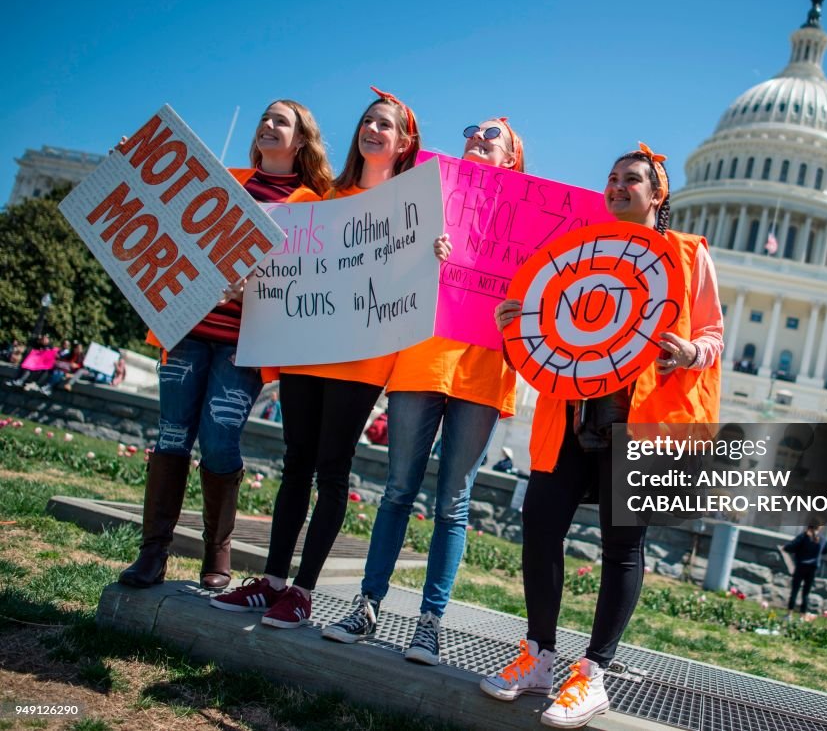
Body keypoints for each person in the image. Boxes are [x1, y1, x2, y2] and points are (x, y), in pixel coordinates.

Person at [479, 143, 723, 728]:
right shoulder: (579, 251)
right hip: (570, 415)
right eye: (612, 178)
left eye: (632, 180)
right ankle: (538, 655)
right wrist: (515, 322)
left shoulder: (689, 255)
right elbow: (546, 322)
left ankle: (592, 674)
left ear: (657, 194)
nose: (617, 187)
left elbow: (713, 333)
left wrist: (690, 351)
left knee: (621, 548)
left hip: (640, 424)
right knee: (540, 528)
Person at [211, 87, 420, 627]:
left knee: (332, 469)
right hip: (306, 350)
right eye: (367, 121)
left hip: (360, 360)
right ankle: (273, 581)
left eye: (385, 125)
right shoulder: (320, 201)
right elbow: (284, 270)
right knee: (295, 463)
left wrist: (430, 256)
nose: (372, 130)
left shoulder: (415, 209)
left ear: (403, 142)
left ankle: (302, 591)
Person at [322, 117, 525, 664]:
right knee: (397, 491)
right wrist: (420, 256)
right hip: (421, 361)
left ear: (511, 159)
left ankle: (429, 623)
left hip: (482, 370)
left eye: (492, 137)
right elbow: (380, 267)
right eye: (473, 133)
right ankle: (367, 605)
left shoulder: (528, 221)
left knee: (453, 505)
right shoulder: (425, 191)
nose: (479, 139)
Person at [119, 99, 330, 591]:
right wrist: (135, 166)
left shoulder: (315, 206)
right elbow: (164, 204)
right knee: (172, 436)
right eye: (265, 118)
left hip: (246, 346)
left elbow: (313, 278)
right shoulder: (225, 182)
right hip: (188, 330)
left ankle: (218, 551)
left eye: (282, 121)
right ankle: (152, 555)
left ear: (301, 141)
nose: (268, 125)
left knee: (218, 440)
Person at [785, 521, 827, 614]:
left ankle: (789, 613)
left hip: (801, 565)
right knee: (806, 592)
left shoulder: (804, 536)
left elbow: (791, 546)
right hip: (813, 568)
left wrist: (785, 548)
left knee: (795, 590)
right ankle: (802, 614)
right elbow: (826, 550)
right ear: (820, 527)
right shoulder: (823, 539)